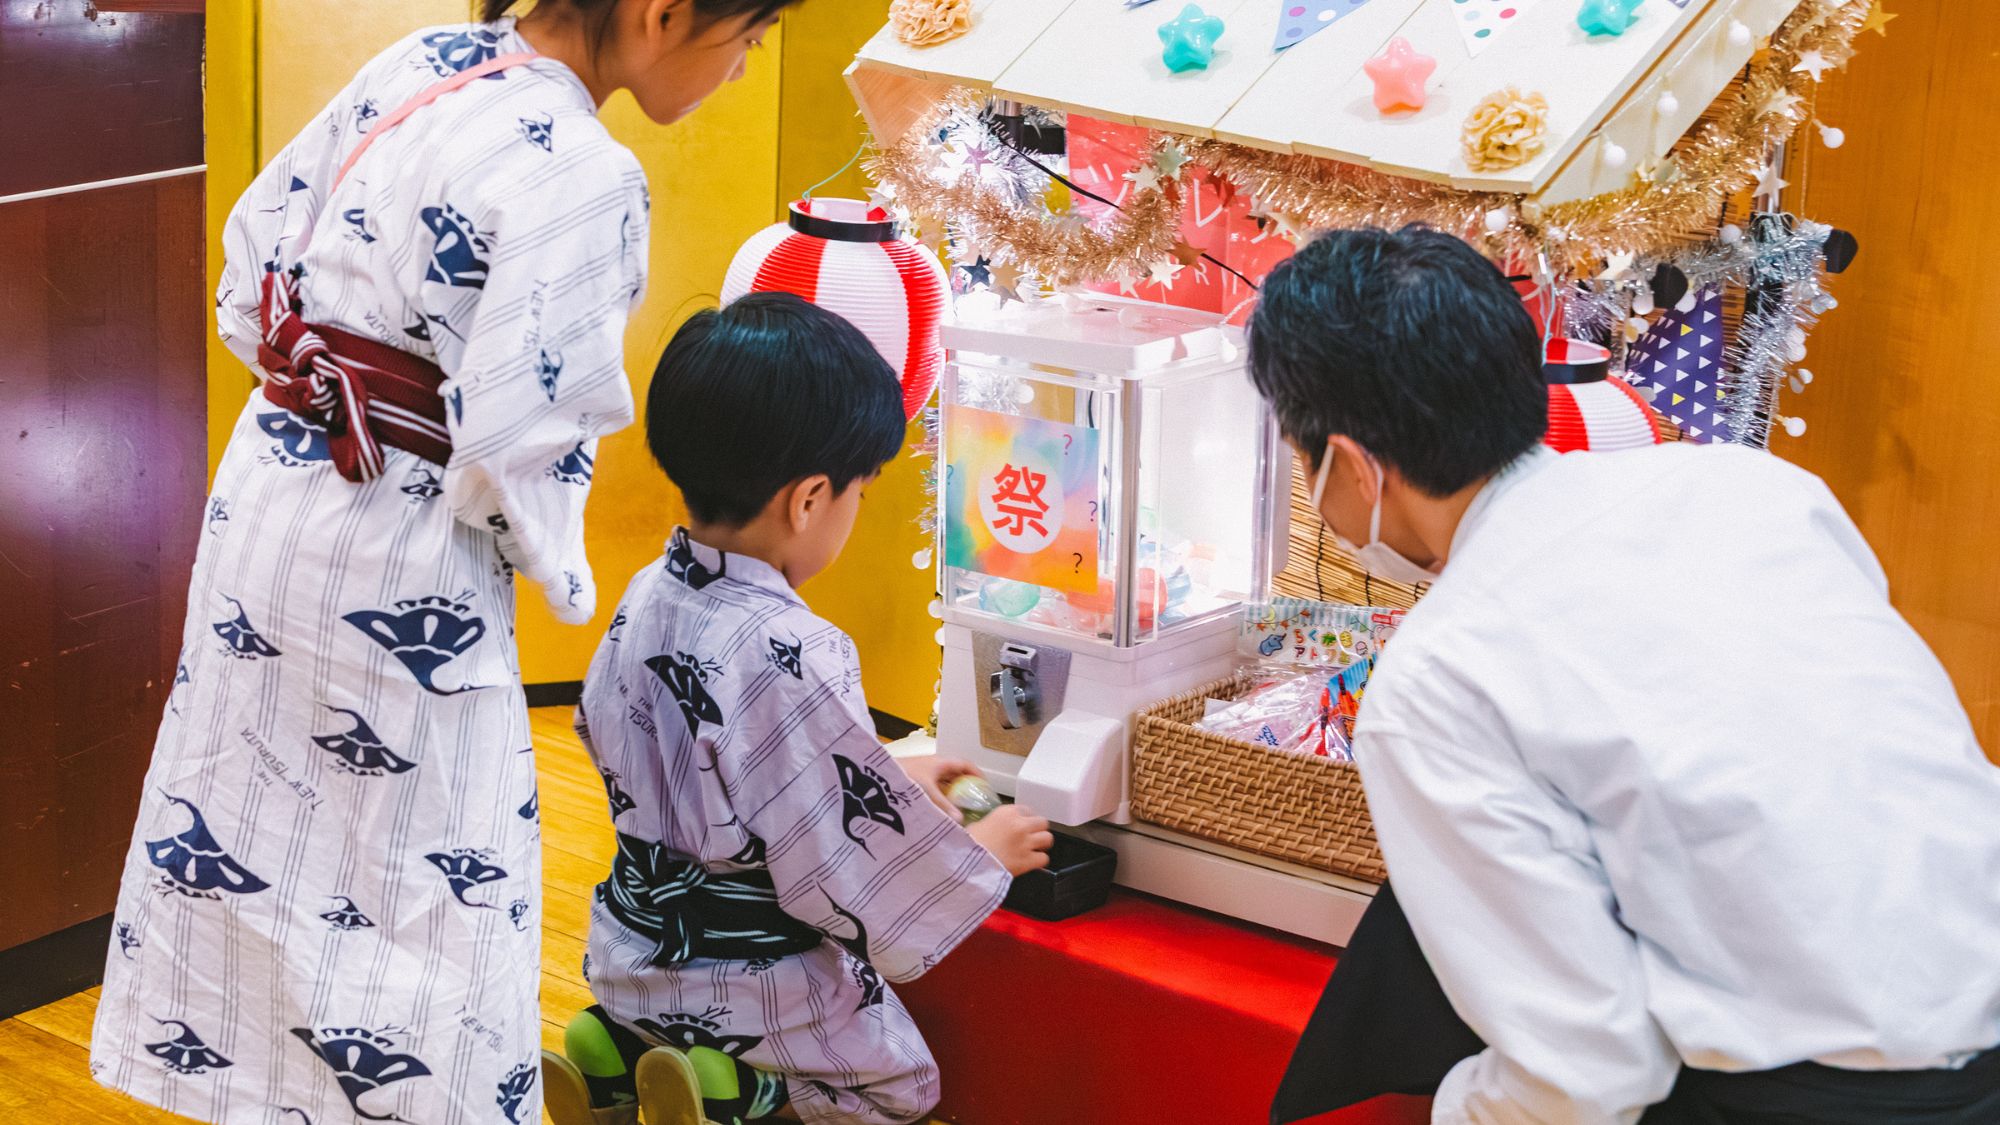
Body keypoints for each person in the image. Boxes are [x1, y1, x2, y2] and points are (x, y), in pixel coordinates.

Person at [90, 2, 804, 1122]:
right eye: (749, 37)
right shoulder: (583, 168)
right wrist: (562, 572)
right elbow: (522, 438)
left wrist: (324, 394)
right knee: (428, 887)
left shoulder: (427, 60)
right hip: (399, 546)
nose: (744, 63)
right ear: (664, 14)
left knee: (256, 840)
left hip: (275, 497)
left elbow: (251, 263)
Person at [1255, 227, 2000, 1124]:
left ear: (1350, 464)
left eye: (1303, 462)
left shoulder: (1438, 674)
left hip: (1822, 1091)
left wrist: (1454, 1108)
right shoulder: (1754, 488)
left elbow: (1588, 1070)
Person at [548, 293, 1053, 1125]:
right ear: (810, 497)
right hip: (749, 992)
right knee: (897, 1086)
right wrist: (981, 851)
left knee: (651, 1013)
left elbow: (703, 762)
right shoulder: (795, 643)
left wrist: (883, 771)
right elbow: (842, 870)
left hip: (635, 955)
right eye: (859, 492)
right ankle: (752, 1095)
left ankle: (615, 1055)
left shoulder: (651, 592)